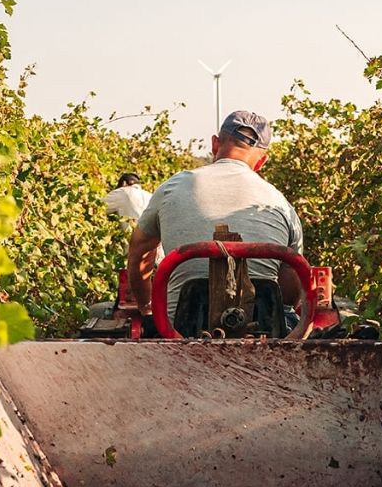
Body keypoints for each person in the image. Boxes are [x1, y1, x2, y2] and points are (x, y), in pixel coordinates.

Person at [127, 110, 303, 334]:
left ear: (214, 143)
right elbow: (291, 287)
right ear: (261, 162)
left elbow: (139, 253)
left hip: (177, 334)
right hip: (265, 335)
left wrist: (146, 309)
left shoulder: (173, 187)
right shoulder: (280, 203)